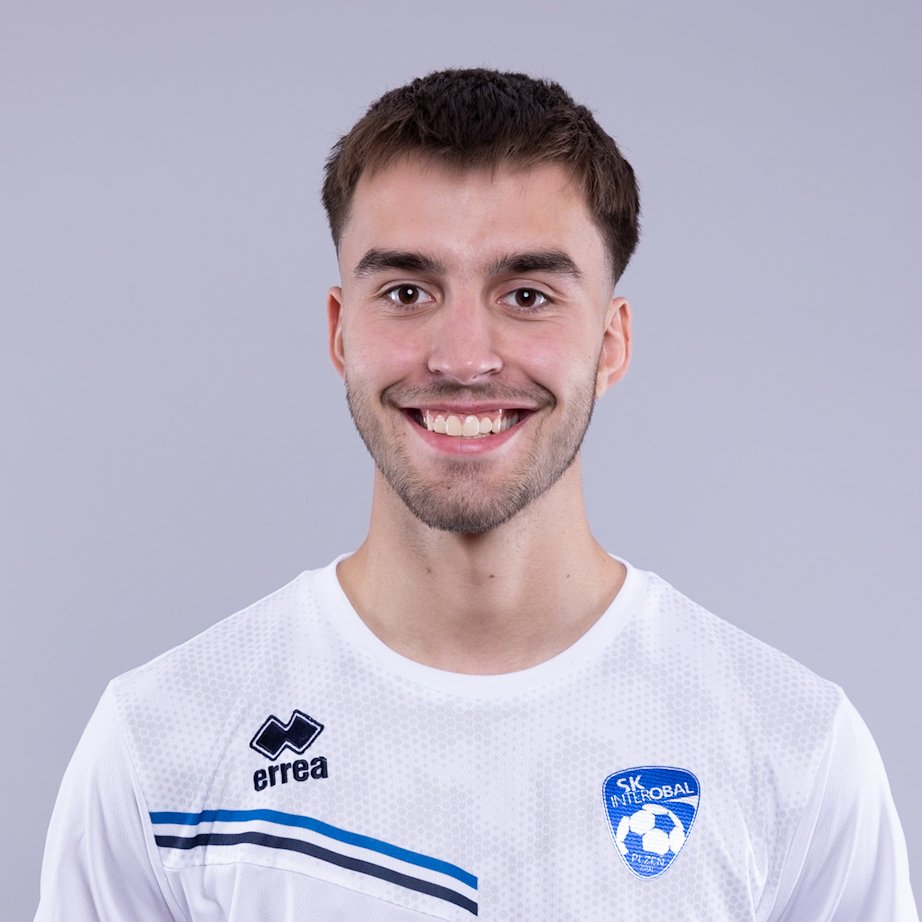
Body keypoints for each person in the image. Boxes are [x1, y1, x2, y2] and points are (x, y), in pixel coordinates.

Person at [35, 68, 917, 921]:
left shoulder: (791, 748)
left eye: (527, 294)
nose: (463, 358)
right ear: (341, 333)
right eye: (407, 292)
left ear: (611, 343)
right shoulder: (164, 744)